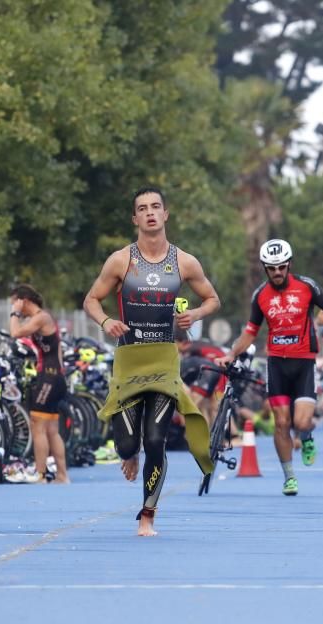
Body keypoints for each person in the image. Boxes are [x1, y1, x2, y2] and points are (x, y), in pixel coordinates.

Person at [83, 185, 220, 536]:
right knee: (128, 444)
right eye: (142, 208)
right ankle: (129, 454)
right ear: (135, 219)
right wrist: (105, 321)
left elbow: (212, 299)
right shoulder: (121, 260)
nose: (150, 212)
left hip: (163, 361)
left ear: (165, 214)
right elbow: (91, 300)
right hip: (129, 361)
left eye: (156, 206)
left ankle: (148, 513)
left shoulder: (185, 261)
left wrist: (196, 316)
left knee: (156, 439)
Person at [216, 239, 323, 496]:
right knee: (281, 423)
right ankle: (289, 477)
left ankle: (307, 437)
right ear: (265, 269)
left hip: (304, 363)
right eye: (271, 268)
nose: (277, 272)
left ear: (289, 265)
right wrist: (231, 353)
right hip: (276, 363)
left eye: (281, 267)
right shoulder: (260, 296)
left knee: (302, 421)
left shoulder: (307, 286)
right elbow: (250, 332)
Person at [9, 284, 69, 484]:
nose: (15, 306)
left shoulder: (41, 317)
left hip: (49, 376)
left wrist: (14, 313)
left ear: (24, 301)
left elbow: (15, 333)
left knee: (37, 425)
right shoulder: (44, 317)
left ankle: (41, 474)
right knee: (51, 429)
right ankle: (62, 475)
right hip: (55, 376)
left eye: (16, 302)